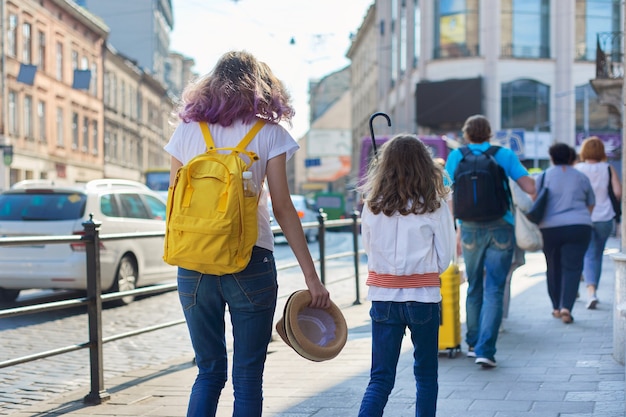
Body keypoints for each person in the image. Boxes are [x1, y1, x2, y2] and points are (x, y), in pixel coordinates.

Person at [164, 50, 330, 417]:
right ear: (262, 87)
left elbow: (175, 201)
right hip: (250, 261)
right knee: (248, 375)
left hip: (193, 263)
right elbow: (284, 209)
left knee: (207, 372)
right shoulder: (270, 133)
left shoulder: (186, 130)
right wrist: (311, 278)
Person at [358, 134, 456, 417]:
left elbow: (369, 249)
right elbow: (444, 256)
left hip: (383, 297)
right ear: (424, 165)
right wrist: (423, 272)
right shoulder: (435, 204)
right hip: (423, 297)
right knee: (425, 375)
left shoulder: (371, 204)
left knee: (380, 378)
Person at [444, 115, 535, 368]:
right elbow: (529, 186)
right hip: (501, 226)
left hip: (470, 228)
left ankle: (472, 343)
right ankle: (486, 349)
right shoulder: (503, 154)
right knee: (494, 288)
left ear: (466, 134)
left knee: (473, 286)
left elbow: (442, 190)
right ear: (489, 133)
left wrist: (455, 227)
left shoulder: (456, 156)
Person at [539, 143, 594, 323]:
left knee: (553, 267)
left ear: (552, 157)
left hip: (550, 228)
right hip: (579, 226)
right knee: (573, 267)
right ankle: (566, 308)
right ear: (571, 158)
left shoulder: (544, 175)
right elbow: (591, 203)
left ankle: (555, 307)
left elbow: (535, 198)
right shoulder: (581, 177)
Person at [575, 137, 619, 309]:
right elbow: (617, 192)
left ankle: (589, 290)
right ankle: (592, 292)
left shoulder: (578, 169)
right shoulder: (608, 168)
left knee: (584, 253)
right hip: (605, 217)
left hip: (583, 217)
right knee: (596, 254)